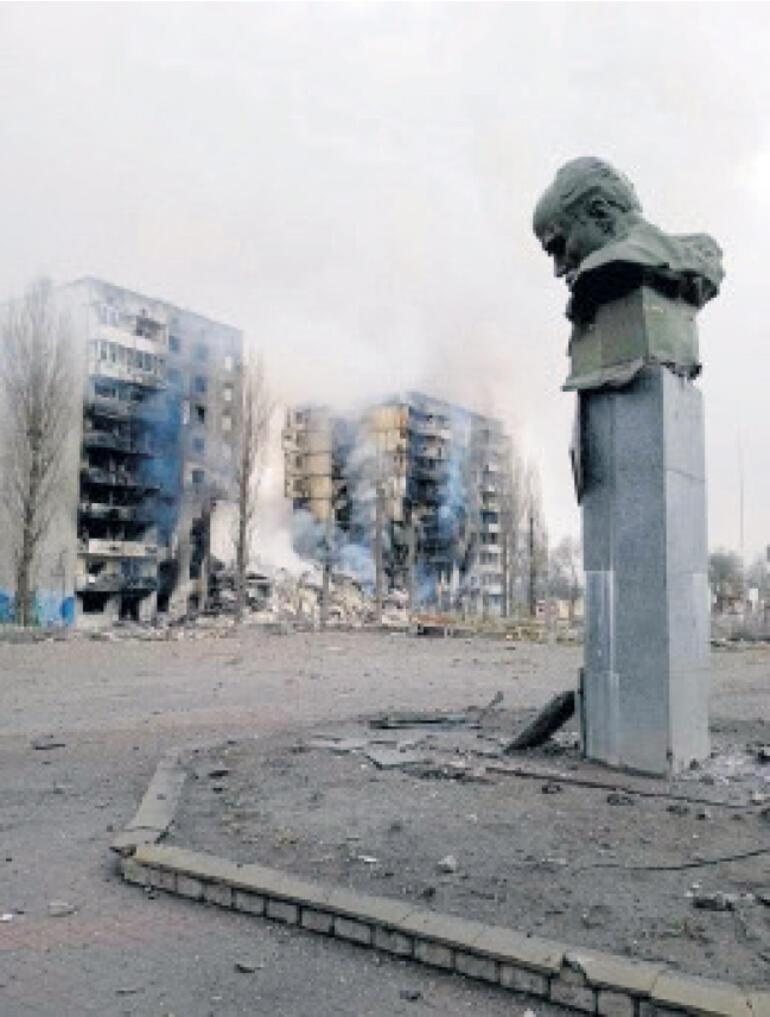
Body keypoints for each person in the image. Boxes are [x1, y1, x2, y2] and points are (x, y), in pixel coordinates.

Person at [533, 157, 723, 323]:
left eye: (559, 246)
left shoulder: (611, 266)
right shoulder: (695, 254)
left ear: (599, 212)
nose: (558, 269)